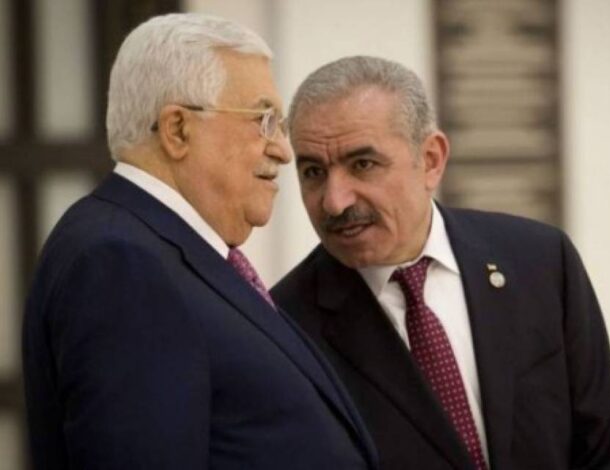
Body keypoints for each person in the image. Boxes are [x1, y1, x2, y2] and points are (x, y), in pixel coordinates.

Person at [23, 14, 377, 470]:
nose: (283, 149)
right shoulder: (121, 263)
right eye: (264, 120)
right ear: (177, 130)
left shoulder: (159, 249)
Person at [271, 56, 610, 470]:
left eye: (363, 165)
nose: (335, 201)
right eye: (313, 172)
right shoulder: (285, 325)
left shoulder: (541, 261)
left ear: (431, 160)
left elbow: (605, 440)